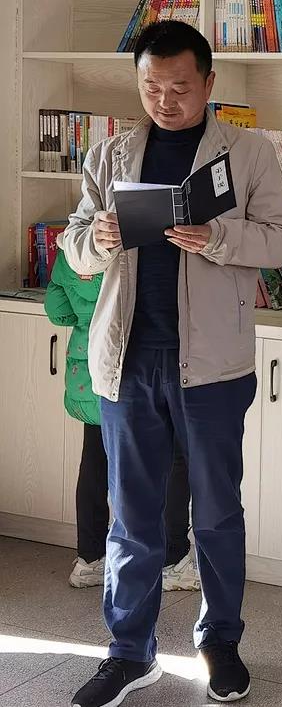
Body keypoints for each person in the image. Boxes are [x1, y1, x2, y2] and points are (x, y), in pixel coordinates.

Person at [62, 21, 282, 707]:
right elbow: (75, 247)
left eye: (180, 87)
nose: (165, 101)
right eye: (151, 87)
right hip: (128, 362)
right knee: (131, 516)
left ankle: (219, 641)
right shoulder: (110, 154)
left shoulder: (248, 153)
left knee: (216, 513)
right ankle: (128, 653)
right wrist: (98, 237)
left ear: (209, 83)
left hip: (213, 367)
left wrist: (218, 237)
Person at [45, 246, 201, 593]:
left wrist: (84, 317)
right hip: (126, 367)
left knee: (95, 464)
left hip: (86, 372)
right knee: (172, 461)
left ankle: (90, 559)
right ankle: (173, 559)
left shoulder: (71, 251)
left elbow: (56, 310)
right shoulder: (125, 249)